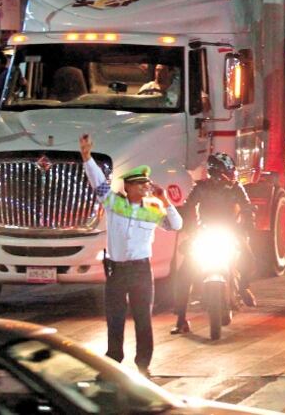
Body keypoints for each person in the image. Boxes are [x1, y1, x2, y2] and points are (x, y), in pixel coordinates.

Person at [79, 134, 182, 378]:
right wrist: (86, 157)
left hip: (140, 271)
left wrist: (165, 200)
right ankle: (114, 358)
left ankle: (143, 364)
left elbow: (176, 225)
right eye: (139, 184)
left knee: (142, 319)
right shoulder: (114, 203)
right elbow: (97, 182)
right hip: (116, 270)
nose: (145, 188)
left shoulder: (153, 209)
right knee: (114, 318)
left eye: (146, 185)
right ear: (127, 187)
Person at [170, 152, 257, 335]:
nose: (225, 176)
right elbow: (188, 207)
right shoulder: (200, 188)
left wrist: (248, 221)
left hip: (230, 231)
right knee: (184, 274)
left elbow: (247, 207)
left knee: (248, 258)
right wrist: (187, 226)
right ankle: (180, 319)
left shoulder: (236, 188)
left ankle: (243, 287)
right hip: (205, 233)